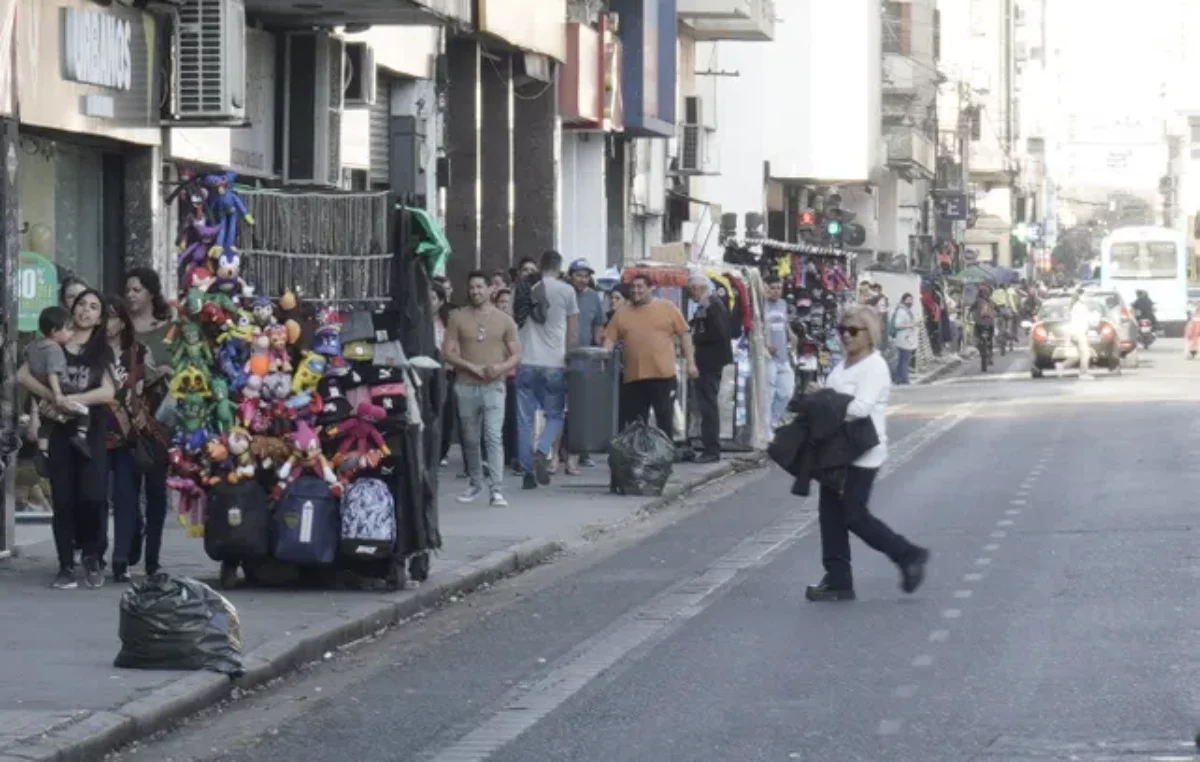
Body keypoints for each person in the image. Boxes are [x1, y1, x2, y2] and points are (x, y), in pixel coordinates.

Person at [806, 305, 930, 602]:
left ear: (869, 334)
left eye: (852, 331)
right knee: (830, 515)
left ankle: (908, 554)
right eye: (841, 331)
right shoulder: (844, 364)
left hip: (861, 452)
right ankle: (838, 579)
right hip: (835, 450)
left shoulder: (874, 366)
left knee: (854, 515)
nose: (845, 337)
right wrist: (821, 393)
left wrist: (824, 398)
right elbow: (837, 396)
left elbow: (860, 408)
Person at [18, 289, 115, 589]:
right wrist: (52, 399)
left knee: (93, 497)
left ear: (100, 318)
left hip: (91, 433)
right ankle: (65, 565)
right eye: (81, 305)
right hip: (59, 432)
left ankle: (92, 555)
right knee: (63, 501)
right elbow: (23, 376)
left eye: (93, 307)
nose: (86, 310)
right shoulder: (51, 344)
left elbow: (109, 393)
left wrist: (75, 400)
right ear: (71, 310)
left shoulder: (101, 349)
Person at [442, 271, 521, 507]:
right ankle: (475, 482)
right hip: (465, 385)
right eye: (472, 287)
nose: (475, 291)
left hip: (494, 386)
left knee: (493, 436)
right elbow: (448, 352)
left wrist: (500, 368)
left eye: (480, 287)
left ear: (490, 290)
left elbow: (517, 354)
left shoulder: (505, 320)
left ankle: (496, 489)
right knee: (470, 438)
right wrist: (471, 367)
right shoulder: (457, 318)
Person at [104, 297, 168, 581]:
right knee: (100, 499)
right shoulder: (92, 352)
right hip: (96, 431)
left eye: (113, 317)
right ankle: (107, 551)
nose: (108, 323)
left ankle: (126, 559)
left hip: (133, 434)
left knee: (128, 497)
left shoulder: (137, 352)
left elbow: (144, 387)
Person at [603, 273, 696, 443]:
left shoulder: (667, 307)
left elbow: (684, 334)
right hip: (634, 377)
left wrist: (691, 363)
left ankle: (665, 458)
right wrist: (604, 357)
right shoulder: (622, 313)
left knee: (664, 420)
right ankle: (638, 460)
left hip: (663, 376)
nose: (636, 291)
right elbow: (609, 338)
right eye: (633, 288)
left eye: (640, 287)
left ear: (651, 289)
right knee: (636, 424)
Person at [516, 250, 579, 490]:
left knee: (525, 419)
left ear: (540, 266)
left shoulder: (524, 289)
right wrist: (570, 359)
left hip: (526, 360)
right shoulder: (567, 291)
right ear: (559, 267)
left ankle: (527, 473)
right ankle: (543, 449)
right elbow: (572, 333)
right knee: (555, 414)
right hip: (554, 362)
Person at [28, 306, 91, 460]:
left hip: (39, 391)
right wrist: (58, 394)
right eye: (68, 329)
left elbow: (27, 361)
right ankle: (81, 436)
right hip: (63, 388)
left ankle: (43, 452)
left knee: (47, 422)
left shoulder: (34, 346)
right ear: (55, 331)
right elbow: (53, 373)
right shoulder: (55, 349)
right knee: (84, 411)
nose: (72, 333)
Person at [563, 259, 606, 473]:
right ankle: (560, 453)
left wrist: (599, 350)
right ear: (570, 275)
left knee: (582, 407)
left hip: (585, 358)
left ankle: (582, 452)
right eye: (579, 275)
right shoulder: (563, 294)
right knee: (560, 407)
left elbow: (598, 325)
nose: (582, 279)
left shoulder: (593, 298)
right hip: (561, 357)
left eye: (586, 275)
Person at [686, 272, 732, 463]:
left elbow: (718, 333)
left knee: (708, 406)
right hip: (707, 362)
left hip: (710, 363)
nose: (691, 295)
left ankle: (711, 450)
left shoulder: (713, 306)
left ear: (697, 288)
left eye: (691, 291)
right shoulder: (707, 305)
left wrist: (694, 337)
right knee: (706, 405)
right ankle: (709, 447)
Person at [125, 267, 175, 378]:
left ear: (151, 293)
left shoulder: (170, 329)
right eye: (127, 290)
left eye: (136, 290)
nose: (129, 295)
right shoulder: (121, 326)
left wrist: (172, 373)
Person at [763, 275, 795, 428]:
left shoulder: (782, 304)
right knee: (768, 394)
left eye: (779, 288)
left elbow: (785, 322)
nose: (776, 292)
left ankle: (773, 422)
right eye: (773, 288)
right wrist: (765, 343)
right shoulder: (762, 305)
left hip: (783, 356)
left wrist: (791, 335)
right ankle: (766, 428)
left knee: (786, 392)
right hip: (768, 357)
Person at [891, 293, 918, 385]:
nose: (910, 302)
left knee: (903, 359)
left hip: (906, 338)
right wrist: (910, 325)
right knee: (904, 360)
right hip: (903, 338)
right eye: (908, 300)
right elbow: (897, 325)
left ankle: (901, 378)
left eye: (911, 300)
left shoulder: (906, 310)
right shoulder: (902, 311)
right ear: (903, 300)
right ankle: (904, 380)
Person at [1070, 288, 1093, 379]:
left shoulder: (1077, 306)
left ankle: (1083, 371)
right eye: (1084, 295)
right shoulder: (1079, 307)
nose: (1086, 297)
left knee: (1082, 353)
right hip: (1080, 332)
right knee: (1085, 353)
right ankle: (1083, 373)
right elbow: (1085, 319)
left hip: (1079, 331)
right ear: (1080, 296)